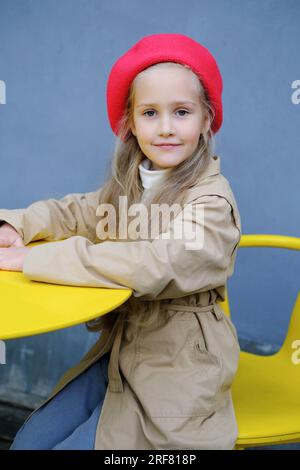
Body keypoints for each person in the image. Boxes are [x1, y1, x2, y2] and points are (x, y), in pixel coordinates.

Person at [0, 33, 242, 450]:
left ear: (206, 120)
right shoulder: (133, 185)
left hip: (178, 366)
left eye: (181, 112)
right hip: (121, 350)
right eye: (150, 112)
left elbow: (156, 263)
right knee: (29, 443)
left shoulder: (212, 203)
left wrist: (33, 261)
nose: (166, 128)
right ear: (130, 123)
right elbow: (75, 211)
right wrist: (15, 226)